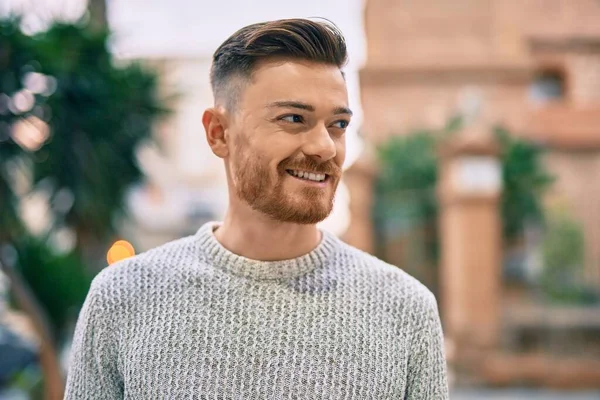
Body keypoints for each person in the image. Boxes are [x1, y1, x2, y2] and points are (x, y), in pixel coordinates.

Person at [65, 18, 449, 399]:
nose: (325, 147)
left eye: (338, 124)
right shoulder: (122, 298)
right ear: (219, 133)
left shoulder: (404, 309)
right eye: (294, 119)